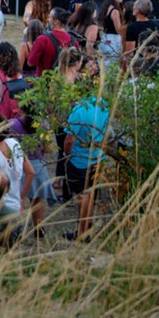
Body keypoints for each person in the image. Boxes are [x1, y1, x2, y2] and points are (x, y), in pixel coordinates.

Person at [63, 92, 110, 239]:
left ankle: (82, 233)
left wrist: (66, 155)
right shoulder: (103, 105)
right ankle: (88, 224)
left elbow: (69, 140)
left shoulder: (78, 111)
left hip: (80, 160)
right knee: (91, 193)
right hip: (98, 157)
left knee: (83, 196)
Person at [28, 8, 73, 75]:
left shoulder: (43, 39)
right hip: (64, 83)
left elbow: (30, 62)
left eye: (49, 17)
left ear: (56, 22)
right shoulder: (73, 40)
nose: (48, 20)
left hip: (43, 82)